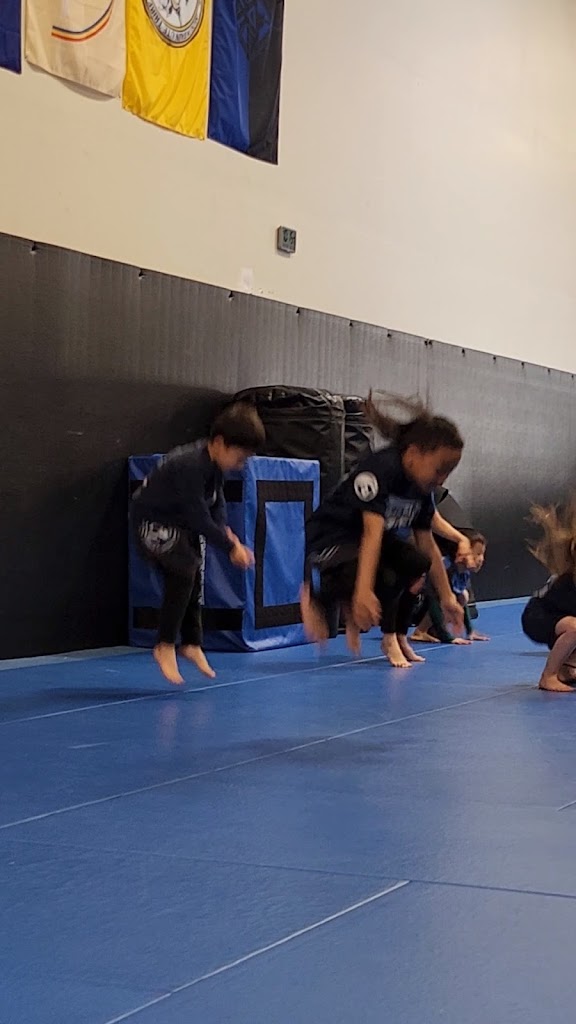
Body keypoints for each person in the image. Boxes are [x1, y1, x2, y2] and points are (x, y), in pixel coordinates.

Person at [301, 393, 465, 666]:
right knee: (379, 576)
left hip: (364, 541)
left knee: (416, 562)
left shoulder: (421, 488)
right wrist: (363, 592)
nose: (442, 479)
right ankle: (318, 597)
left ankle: (397, 635)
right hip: (331, 537)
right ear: (413, 453)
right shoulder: (379, 470)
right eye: (440, 469)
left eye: (449, 472)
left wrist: (447, 597)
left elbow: (427, 543)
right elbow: (371, 533)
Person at [131, 402, 265, 685]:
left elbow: (217, 504)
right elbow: (198, 516)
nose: (241, 465)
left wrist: (226, 532)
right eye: (240, 458)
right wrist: (230, 547)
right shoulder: (190, 465)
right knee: (184, 569)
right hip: (151, 523)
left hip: (177, 524)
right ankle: (165, 644)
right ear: (220, 443)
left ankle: (191, 642)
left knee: (192, 576)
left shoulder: (214, 466)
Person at [522, 499, 576, 692]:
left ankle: (567, 669)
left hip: (561, 616)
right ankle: (548, 676)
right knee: (574, 628)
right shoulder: (568, 580)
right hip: (538, 617)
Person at [412, 532, 489, 645]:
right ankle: (422, 631)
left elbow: (461, 599)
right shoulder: (445, 568)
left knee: (463, 595)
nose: (481, 559)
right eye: (477, 554)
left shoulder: (464, 572)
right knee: (443, 599)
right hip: (416, 599)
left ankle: (422, 631)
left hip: (432, 599)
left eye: (482, 554)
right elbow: (434, 601)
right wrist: (448, 638)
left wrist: (470, 631)